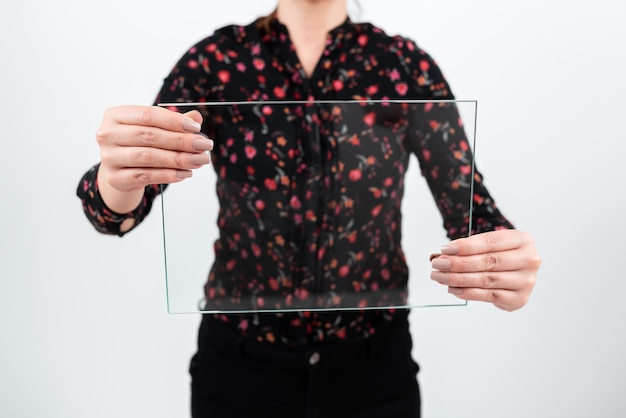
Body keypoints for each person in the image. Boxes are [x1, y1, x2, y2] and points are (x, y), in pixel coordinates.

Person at [76, 1, 541, 417]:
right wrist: (118, 174)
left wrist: (504, 263)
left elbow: (474, 213)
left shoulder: (402, 66)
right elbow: (113, 213)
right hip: (238, 376)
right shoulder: (216, 62)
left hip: (374, 374)